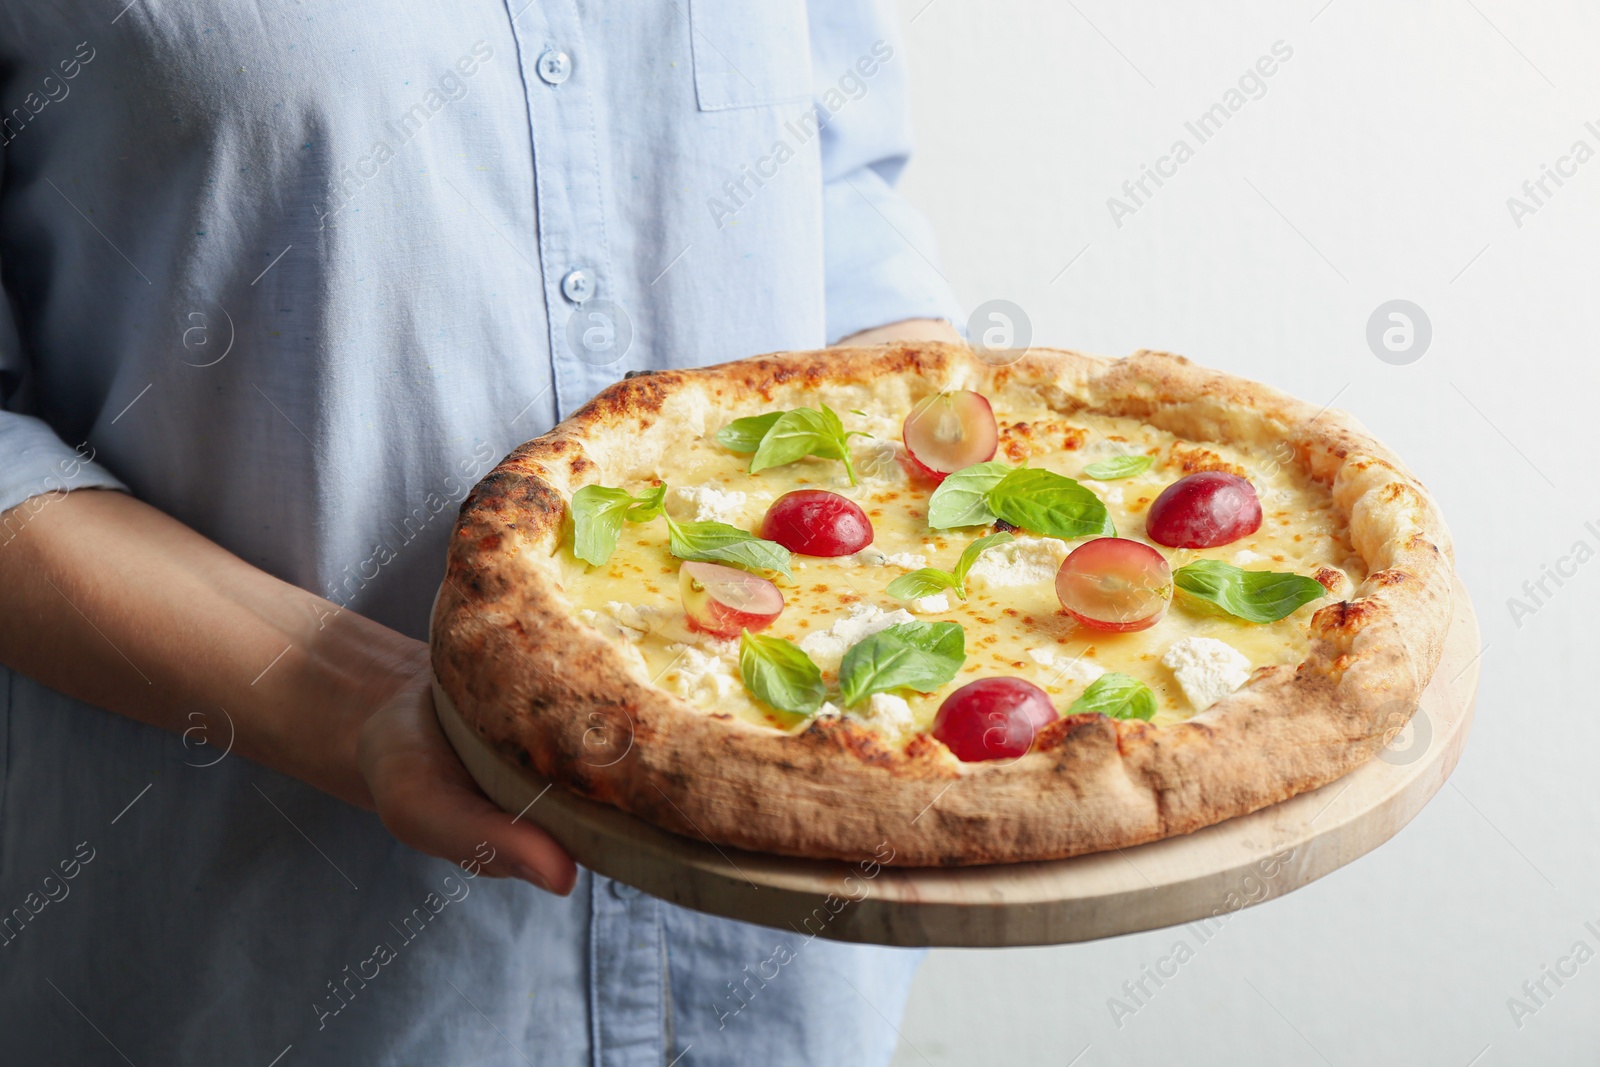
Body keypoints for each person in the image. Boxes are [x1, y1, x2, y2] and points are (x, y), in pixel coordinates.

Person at [0, 2, 964, 1063]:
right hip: (285, 969)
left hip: (788, 974)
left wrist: (984, 582)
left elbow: (836, 193)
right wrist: (356, 696)